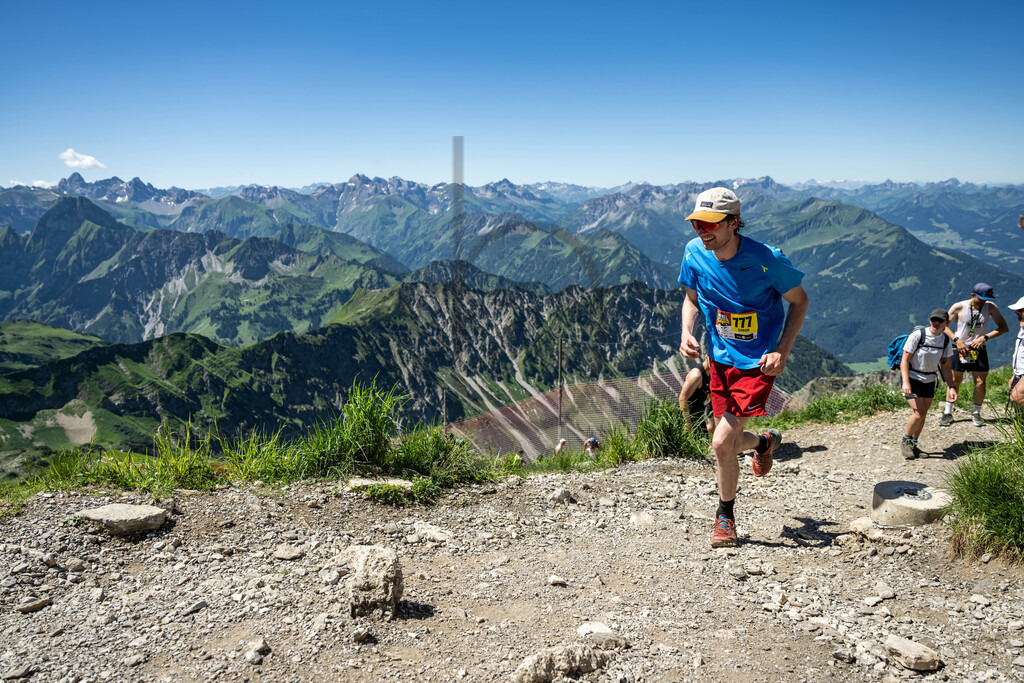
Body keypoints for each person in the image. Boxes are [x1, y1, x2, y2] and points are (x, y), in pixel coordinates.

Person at [678, 187, 809, 548]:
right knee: (731, 441)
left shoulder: (767, 260)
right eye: (696, 225)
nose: (701, 232)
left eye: (709, 225)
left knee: (720, 443)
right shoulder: (694, 254)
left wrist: (782, 350)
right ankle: (764, 441)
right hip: (718, 360)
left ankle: (725, 518)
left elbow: (800, 302)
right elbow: (691, 298)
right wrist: (687, 331)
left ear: (733, 222)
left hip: (757, 364)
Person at [939, 283, 1009, 427]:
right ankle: (948, 412)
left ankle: (976, 413)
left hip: (979, 348)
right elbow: (943, 326)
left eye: (986, 299)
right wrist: (957, 340)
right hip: (959, 347)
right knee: (954, 380)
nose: (983, 302)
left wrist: (985, 337)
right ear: (972, 295)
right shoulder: (959, 307)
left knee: (980, 381)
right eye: (980, 299)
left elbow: (1003, 328)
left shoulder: (990, 307)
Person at [900, 309, 957, 459]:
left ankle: (913, 444)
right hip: (912, 379)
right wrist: (906, 382)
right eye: (933, 320)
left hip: (929, 380)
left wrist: (951, 386)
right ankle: (905, 442)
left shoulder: (945, 341)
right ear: (929, 320)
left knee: (923, 415)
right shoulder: (918, 335)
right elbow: (904, 360)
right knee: (919, 414)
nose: (936, 323)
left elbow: (945, 366)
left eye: (940, 321)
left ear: (947, 323)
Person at [678, 355, 714, 434]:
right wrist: (687, 423)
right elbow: (682, 399)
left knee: (704, 441)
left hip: (699, 413)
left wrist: (710, 419)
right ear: (706, 357)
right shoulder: (696, 375)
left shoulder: (712, 374)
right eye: (713, 359)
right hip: (687, 415)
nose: (715, 362)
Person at [1009, 296, 1024, 409]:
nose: (1015, 312)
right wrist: (1015, 373)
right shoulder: (1022, 328)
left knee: (1016, 397)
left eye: (1019, 310)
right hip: (1020, 372)